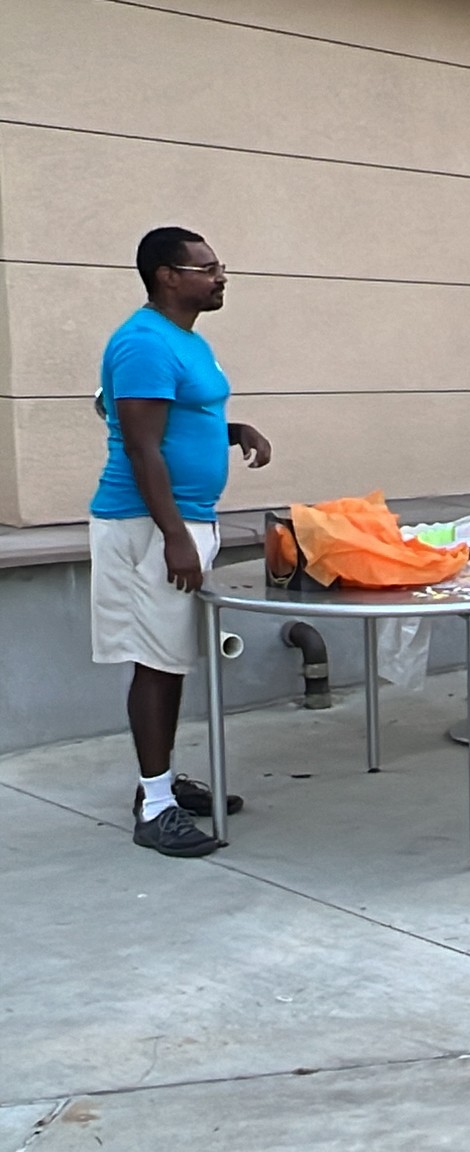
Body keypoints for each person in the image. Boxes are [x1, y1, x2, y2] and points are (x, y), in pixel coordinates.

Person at [92, 226, 270, 857]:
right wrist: (173, 537)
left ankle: (160, 783)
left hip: (184, 520)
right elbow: (141, 448)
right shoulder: (143, 343)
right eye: (208, 268)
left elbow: (179, 420)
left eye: (220, 267)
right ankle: (154, 807)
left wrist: (234, 431)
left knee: (169, 659)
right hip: (148, 526)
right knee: (157, 663)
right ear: (168, 276)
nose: (221, 278)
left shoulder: (186, 340)